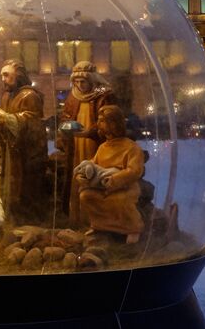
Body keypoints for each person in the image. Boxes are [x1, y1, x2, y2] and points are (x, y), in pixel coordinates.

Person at [75, 105, 146, 243]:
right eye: (99, 120)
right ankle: (100, 226)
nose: (99, 124)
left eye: (103, 121)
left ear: (114, 123)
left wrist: (114, 180)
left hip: (125, 187)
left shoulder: (131, 147)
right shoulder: (103, 147)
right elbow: (93, 165)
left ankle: (132, 229)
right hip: (102, 185)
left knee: (120, 200)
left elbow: (134, 171)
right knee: (85, 196)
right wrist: (83, 174)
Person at [0, 58, 47, 222]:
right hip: (11, 150)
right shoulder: (7, 96)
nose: (3, 79)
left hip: (26, 155)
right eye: (2, 76)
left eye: (7, 75)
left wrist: (7, 118)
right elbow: (5, 122)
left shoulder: (30, 96)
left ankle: (27, 219)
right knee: (10, 185)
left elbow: (33, 124)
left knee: (24, 188)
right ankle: (10, 215)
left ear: (19, 75)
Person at [56, 61, 113, 224]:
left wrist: (91, 132)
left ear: (92, 80)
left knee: (93, 175)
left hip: (95, 145)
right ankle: (76, 216)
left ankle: (95, 218)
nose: (80, 85)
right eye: (77, 82)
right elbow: (66, 116)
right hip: (76, 144)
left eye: (83, 82)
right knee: (77, 176)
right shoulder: (73, 96)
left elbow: (108, 120)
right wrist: (65, 128)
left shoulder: (103, 96)